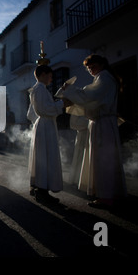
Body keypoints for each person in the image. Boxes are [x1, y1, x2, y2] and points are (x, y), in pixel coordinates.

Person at [61, 54, 127, 208]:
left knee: (102, 161)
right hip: (104, 122)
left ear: (102, 65)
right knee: (109, 160)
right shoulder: (106, 78)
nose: (91, 70)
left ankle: (105, 197)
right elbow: (89, 98)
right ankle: (113, 192)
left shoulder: (104, 78)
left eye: (93, 66)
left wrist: (70, 90)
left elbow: (88, 96)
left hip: (102, 123)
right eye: (88, 68)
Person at [27, 65, 71, 203]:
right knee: (45, 157)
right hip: (45, 126)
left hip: (45, 125)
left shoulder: (40, 89)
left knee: (44, 156)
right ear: (43, 75)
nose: (51, 79)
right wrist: (61, 104)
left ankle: (40, 187)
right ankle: (42, 190)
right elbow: (44, 109)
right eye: (50, 76)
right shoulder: (39, 89)